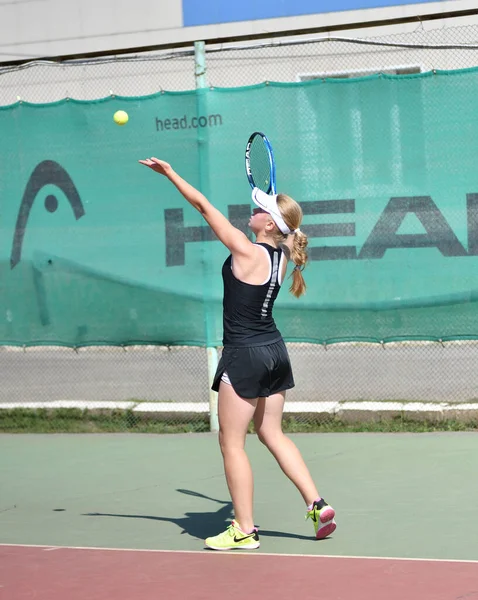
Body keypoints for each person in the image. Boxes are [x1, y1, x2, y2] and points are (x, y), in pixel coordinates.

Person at [139, 156, 336, 551]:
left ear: (269, 224)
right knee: (271, 433)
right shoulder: (283, 260)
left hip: (244, 356)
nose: (255, 210)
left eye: (262, 209)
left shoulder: (246, 252)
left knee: (232, 444)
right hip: (274, 352)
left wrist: (172, 173)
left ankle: (244, 529)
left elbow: (203, 207)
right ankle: (316, 504)